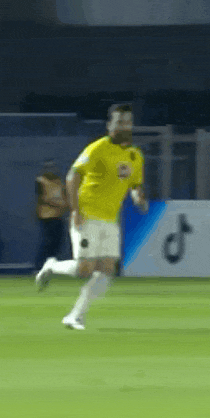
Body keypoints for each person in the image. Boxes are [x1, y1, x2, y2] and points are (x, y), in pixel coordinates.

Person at [34, 103, 149, 330]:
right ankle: (52, 266)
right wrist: (75, 210)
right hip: (87, 214)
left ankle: (76, 315)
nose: (124, 126)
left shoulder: (135, 156)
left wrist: (138, 198)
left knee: (107, 269)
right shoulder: (97, 148)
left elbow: (135, 184)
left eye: (127, 121)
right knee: (84, 270)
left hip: (110, 219)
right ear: (110, 125)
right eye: (119, 122)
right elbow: (72, 176)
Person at [34, 160, 69, 270]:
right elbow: (43, 198)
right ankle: (39, 266)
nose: (51, 170)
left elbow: (64, 196)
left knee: (57, 242)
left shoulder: (59, 182)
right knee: (48, 242)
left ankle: (51, 266)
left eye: (52, 167)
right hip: (47, 216)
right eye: (48, 168)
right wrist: (59, 204)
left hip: (58, 216)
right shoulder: (41, 181)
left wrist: (66, 205)